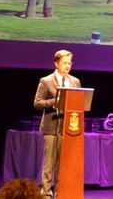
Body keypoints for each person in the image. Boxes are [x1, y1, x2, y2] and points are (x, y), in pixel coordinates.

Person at [34, 49, 81, 199]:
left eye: (69, 63)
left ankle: (60, 194)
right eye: (64, 63)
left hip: (68, 129)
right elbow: (37, 103)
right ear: (56, 63)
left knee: (62, 165)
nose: (67, 66)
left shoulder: (75, 81)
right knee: (49, 165)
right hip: (51, 128)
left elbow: (78, 104)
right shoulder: (46, 81)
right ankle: (46, 194)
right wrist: (55, 102)